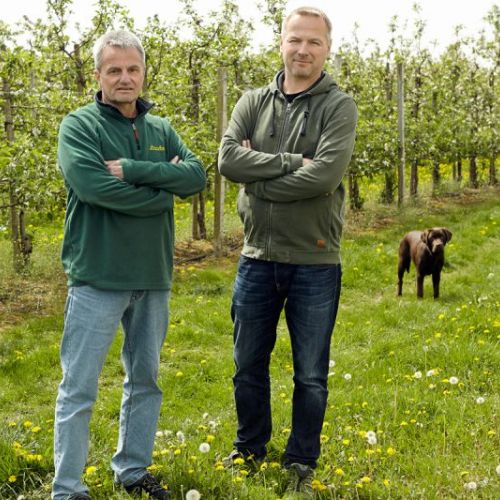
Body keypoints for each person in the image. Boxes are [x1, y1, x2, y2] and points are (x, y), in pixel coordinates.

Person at [53, 30, 206, 500]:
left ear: (143, 73)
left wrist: (138, 171)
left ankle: (133, 472)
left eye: (132, 69)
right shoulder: (79, 126)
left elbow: (197, 175)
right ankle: (68, 489)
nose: (124, 78)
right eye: (114, 70)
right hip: (97, 277)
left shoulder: (160, 129)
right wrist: (162, 197)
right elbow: (95, 188)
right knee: (79, 389)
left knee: (145, 380)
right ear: (98, 75)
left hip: (153, 278)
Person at [218, 6, 357, 495]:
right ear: (281, 42)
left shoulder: (338, 106)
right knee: (246, 365)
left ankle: (301, 459)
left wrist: (259, 182)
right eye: (295, 40)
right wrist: (287, 163)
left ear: (327, 49)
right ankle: (250, 448)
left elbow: (325, 176)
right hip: (256, 257)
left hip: (315, 261)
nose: (303, 50)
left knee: (311, 374)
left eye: (313, 42)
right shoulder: (253, 101)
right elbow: (228, 159)